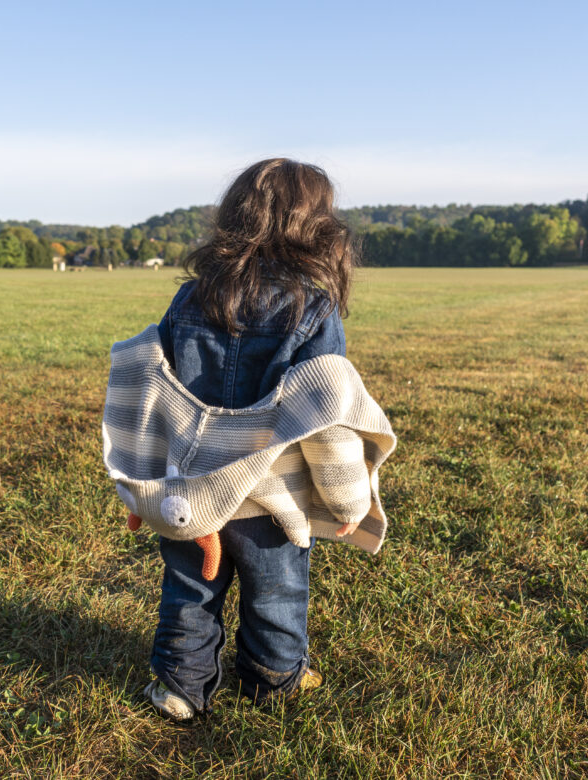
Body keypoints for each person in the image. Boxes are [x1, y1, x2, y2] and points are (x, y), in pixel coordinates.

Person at [103, 158, 395, 720]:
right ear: (316, 228)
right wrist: (348, 501)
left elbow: (152, 391)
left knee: (190, 590)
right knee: (277, 593)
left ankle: (178, 688)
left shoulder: (189, 299)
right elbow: (326, 418)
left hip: (189, 493)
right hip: (270, 500)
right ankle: (273, 678)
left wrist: (143, 486)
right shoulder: (313, 307)